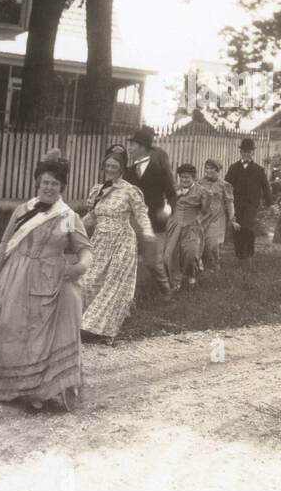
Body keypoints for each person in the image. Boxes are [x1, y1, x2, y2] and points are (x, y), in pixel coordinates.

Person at [0, 151, 92, 413]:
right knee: (11, 329)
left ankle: (38, 391)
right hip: (16, 276)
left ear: (62, 188)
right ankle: (13, 385)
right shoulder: (22, 211)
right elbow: (5, 244)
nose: (49, 187)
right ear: (38, 184)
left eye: (54, 184)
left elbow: (85, 250)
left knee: (39, 336)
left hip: (50, 280)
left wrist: (80, 266)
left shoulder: (69, 217)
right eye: (45, 182)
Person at [80, 146, 154, 344]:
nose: (110, 169)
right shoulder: (98, 190)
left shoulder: (130, 191)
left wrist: (147, 231)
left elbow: (141, 214)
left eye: (115, 166)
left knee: (114, 285)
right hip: (99, 241)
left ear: (122, 168)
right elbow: (92, 216)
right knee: (88, 281)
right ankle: (85, 324)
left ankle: (101, 331)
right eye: (108, 165)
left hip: (122, 242)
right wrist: (71, 228)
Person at [124, 126, 176, 295]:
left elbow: (172, 195)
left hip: (155, 222)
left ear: (142, 147)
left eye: (132, 145)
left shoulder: (159, 170)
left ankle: (166, 291)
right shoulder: (129, 172)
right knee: (127, 260)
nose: (129, 148)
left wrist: (167, 211)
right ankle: (129, 296)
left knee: (152, 262)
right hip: (132, 223)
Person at [162, 164, 216, 291]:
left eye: (187, 177)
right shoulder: (174, 189)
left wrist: (208, 199)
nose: (184, 180)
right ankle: (176, 282)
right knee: (169, 256)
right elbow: (167, 207)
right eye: (182, 177)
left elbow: (205, 210)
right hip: (174, 225)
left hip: (191, 227)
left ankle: (191, 275)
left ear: (194, 177)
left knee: (190, 254)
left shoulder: (201, 191)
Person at [225, 137, 272, 259]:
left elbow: (266, 187)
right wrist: (225, 201)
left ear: (253, 153)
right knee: (237, 227)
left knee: (247, 226)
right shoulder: (233, 168)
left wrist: (270, 203)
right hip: (237, 203)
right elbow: (226, 185)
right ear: (240, 152)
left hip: (252, 203)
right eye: (244, 151)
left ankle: (249, 253)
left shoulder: (259, 170)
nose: (246, 154)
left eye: (249, 152)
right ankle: (239, 254)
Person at [198, 158, 235, 273]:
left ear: (218, 170)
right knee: (200, 242)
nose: (208, 170)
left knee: (212, 242)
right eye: (207, 168)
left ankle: (215, 264)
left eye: (211, 168)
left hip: (217, 218)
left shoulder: (225, 185)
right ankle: (201, 267)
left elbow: (229, 203)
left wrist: (232, 217)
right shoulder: (199, 182)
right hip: (202, 217)